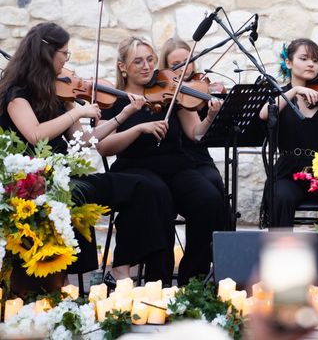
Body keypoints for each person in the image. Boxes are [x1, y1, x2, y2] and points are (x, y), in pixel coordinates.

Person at [0, 22, 175, 285]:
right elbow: (35, 134)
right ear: (47, 54)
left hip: (66, 175)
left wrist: (122, 116)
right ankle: (65, 282)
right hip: (35, 183)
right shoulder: (17, 94)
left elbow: (82, 141)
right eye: (64, 54)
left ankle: (123, 269)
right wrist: (78, 112)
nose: (66, 61)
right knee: (76, 195)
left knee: (145, 188)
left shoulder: (58, 93)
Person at [97, 36, 227, 285]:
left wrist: (210, 117)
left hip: (175, 166)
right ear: (123, 67)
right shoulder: (113, 99)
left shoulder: (169, 90)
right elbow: (104, 147)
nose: (147, 66)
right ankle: (159, 281)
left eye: (150, 59)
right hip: (135, 167)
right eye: (138, 61)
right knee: (158, 195)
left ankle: (194, 279)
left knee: (209, 199)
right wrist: (138, 129)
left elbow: (195, 133)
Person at [259, 38, 318, 228]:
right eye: (304, 58)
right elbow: (264, 114)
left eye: (315, 60)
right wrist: (295, 90)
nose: (311, 64)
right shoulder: (281, 96)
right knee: (281, 196)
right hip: (289, 173)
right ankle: (280, 246)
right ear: (289, 63)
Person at [158, 38, 226, 201]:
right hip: (178, 157)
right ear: (166, 67)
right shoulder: (164, 92)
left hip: (200, 155)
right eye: (176, 64)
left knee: (215, 180)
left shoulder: (200, 84)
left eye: (187, 62)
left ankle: (222, 218)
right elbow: (194, 133)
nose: (184, 68)